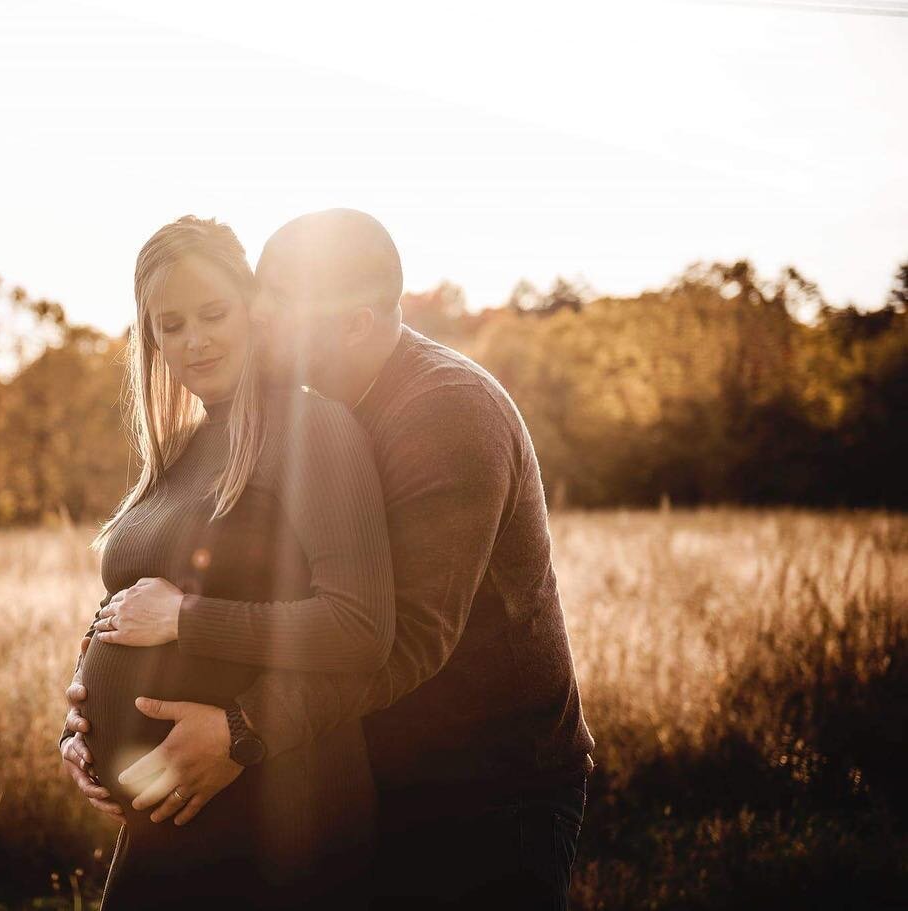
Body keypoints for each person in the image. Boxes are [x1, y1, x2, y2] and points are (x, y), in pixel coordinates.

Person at [66, 209, 596, 909]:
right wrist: (86, 702)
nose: (261, 327)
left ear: (355, 323)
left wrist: (241, 731)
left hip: (488, 792)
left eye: (278, 311)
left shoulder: (444, 414)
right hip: (383, 768)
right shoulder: (263, 424)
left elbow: (401, 639)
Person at [58, 215, 396, 909]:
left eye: (213, 313)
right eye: (171, 324)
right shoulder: (180, 451)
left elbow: (362, 625)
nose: (195, 340)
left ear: (253, 310)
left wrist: (187, 620)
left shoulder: (312, 429)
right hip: (167, 817)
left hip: (274, 813)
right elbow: (127, 604)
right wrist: (78, 726)